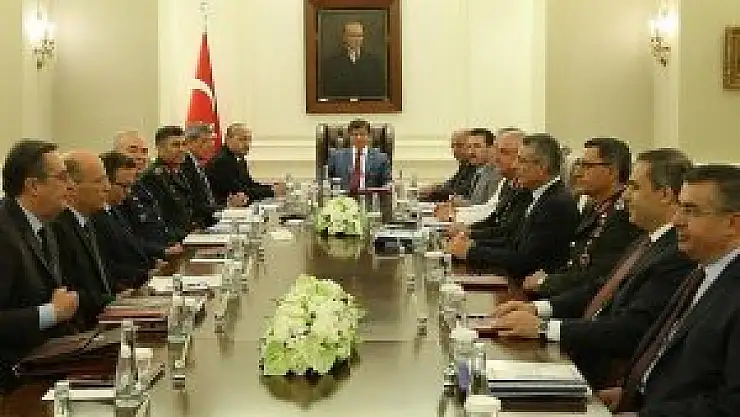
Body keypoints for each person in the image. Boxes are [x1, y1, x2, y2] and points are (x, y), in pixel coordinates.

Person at [491, 149, 695, 388]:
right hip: (585, 351)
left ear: (665, 195)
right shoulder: (647, 239)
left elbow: (631, 329)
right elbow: (601, 289)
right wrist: (537, 308)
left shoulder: (676, 254)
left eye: (634, 187)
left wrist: (544, 328)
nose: (625, 195)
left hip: (604, 370)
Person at [598, 164, 740, 417]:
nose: (676, 221)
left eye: (691, 211)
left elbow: (732, 404)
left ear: (733, 223)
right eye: (680, 207)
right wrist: (631, 393)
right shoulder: (703, 269)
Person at [0, 140, 79, 392]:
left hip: (47, 363)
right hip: (14, 382)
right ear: (33, 186)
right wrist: (51, 313)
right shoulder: (3, 233)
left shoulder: (44, 224)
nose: (71, 185)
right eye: (62, 177)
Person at [447, 133, 579, 278]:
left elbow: (526, 261)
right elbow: (511, 239)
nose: (515, 166)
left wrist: (471, 251)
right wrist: (471, 244)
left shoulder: (555, 204)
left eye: (522, 161)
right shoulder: (537, 195)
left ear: (542, 167)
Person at [525, 137, 642, 297]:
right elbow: (577, 262)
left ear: (612, 171)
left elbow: (598, 277)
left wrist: (545, 282)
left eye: (587, 166)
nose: (577, 173)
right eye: (579, 165)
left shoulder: (623, 217)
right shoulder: (595, 207)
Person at [51, 151, 115, 326]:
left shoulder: (89, 220)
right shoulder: (58, 227)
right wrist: (113, 301)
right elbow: (71, 291)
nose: (107, 187)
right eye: (99, 181)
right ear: (72, 187)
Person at [91, 151, 157, 290]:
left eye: (131, 186)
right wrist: (144, 275)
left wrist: (153, 265)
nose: (128, 192)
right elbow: (107, 264)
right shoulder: (93, 217)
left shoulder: (114, 209)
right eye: (125, 186)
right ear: (107, 183)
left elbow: (131, 246)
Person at [138, 126, 199, 242]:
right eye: (175, 145)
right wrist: (187, 235)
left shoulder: (178, 172)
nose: (182, 149)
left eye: (184, 144)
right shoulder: (152, 177)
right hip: (171, 241)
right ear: (160, 148)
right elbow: (162, 219)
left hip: (187, 236)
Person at [205, 123, 283, 205]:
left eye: (249, 140)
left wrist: (273, 187)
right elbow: (239, 191)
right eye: (242, 139)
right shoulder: (222, 161)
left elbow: (249, 184)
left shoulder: (239, 158)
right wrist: (272, 191)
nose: (247, 144)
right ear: (228, 139)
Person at [320, 20, 385, 98]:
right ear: (344, 38)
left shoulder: (374, 62)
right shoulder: (331, 64)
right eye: (353, 36)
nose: (357, 39)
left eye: (360, 36)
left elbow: (380, 91)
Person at [327, 118, 391, 192]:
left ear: (369, 136)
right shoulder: (337, 157)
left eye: (362, 134)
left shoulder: (381, 158)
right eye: (355, 135)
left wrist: (388, 186)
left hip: (370, 197)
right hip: (343, 197)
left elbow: (387, 182)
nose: (359, 138)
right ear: (350, 136)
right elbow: (326, 180)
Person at [420, 129, 476, 201]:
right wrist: (435, 187)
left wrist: (435, 191)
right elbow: (451, 183)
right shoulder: (464, 165)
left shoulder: (476, 167)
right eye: (453, 146)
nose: (454, 150)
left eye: (459, 145)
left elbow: (460, 192)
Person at [182, 123, 219, 226]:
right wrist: (224, 208)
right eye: (205, 141)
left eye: (211, 141)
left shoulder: (198, 164)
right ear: (189, 143)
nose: (211, 145)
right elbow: (196, 204)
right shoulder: (183, 165)